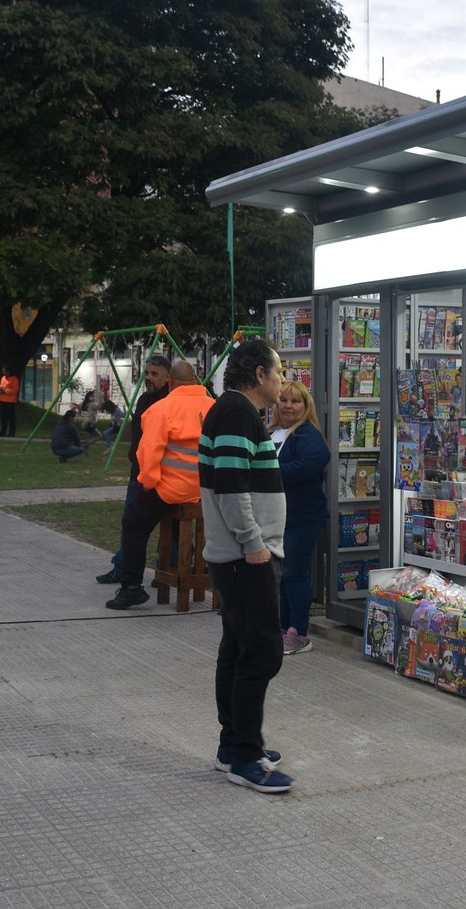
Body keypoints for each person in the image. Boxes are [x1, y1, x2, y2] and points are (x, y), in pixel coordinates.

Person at [199, 338, 289, 793]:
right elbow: (231, 489)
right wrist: (254, 545)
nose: (282, 380)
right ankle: (243, 756)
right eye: (278, 371)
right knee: (261, 652)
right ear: (258, 374)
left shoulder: (235, 412)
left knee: (237, 650)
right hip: (244, 557)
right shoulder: (237, 413)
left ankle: (233, 744)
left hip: (239, 556)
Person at [106, 360, 213, 610]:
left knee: (133, 523)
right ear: (196, 381)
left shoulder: (162, 408)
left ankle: (131, 587)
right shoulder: (214, 407)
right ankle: (196, 573)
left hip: (171, 489)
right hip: (205, 490)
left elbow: (149, 454)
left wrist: (147, 483)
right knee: (174, 526)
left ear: (171, 382)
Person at [94, 355, 171, 585]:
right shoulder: (145, 398)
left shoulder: (169, 401)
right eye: (147, 373)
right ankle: (123, 566)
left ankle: (166, 570)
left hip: (160, 475)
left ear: (168, 377)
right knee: (131, 522)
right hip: (138, 472)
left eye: (154, 374)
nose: (148, 378)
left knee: (164, 526)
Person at [270, 378, 330, 656]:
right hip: (277, 517)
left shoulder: (308, 434)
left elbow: (311, 464)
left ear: (306, 406)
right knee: (283, 576)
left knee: (294, 573)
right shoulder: (271, 432)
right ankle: (283, 628)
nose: (288, 406)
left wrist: (269, 475)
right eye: (283, 400)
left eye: (295, 401)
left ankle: (299, 633)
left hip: (302, 517)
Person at [0, 367, 20, 436]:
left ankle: (12, 432)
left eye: (4, 371)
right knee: (3, 417)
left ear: (8, 371)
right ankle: (3, 431)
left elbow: (15, 389)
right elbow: (1, 386)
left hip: (10, 401)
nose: (3, 373)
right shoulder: (3, 378)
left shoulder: (14, 379)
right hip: (2, 400)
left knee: (11, 417)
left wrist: (5, 391)